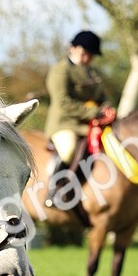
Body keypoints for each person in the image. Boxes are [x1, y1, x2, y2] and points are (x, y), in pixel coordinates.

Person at [45, 30, 108, 171]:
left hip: (93, 123)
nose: (90, 58)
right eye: (88, 53)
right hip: (66, 123)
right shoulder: (61, 70)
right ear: (75, 48)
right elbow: (63, 102)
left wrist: (107, 108)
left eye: (92, 55)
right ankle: (55, 188)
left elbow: (102, 96)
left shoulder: (93, 73)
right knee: (68, 151)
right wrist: (94, 112)